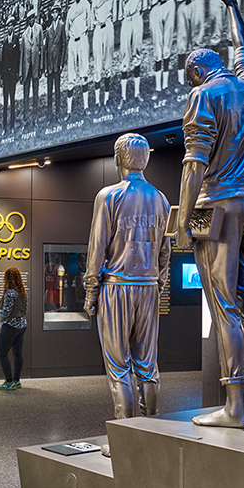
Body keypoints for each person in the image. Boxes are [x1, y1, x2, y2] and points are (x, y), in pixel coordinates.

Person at [176, 0, 244, 429]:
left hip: (215, 204)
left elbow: (194, 165)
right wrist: (232, 4)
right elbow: (243, 47)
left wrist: (182, 224)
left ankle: (234, 408)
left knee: (224, 305)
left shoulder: (204, 95)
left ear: (197, 73)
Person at [85, 133, 171, 420]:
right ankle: (152, 430)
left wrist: (91, 292)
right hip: (149, 287)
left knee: (119, 367)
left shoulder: (108, 196)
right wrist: (159, 284)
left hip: (116, 287)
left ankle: (127, 435)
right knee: (147, 365)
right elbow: (165, 250)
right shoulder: (160, 199)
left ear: (118, 159)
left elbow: (97, 248)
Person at [0, 267, 28, 391]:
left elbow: (6, 313)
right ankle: (16, 381)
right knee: (18, 354)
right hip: (21, 325)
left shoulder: (10, 293)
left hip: (10, 326)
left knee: (1, 353)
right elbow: (25, 310)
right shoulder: (23, 293)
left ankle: (9, 382)